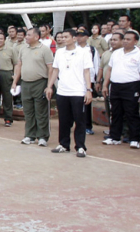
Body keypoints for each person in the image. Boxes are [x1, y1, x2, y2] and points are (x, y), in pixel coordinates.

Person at [46, 29, 94, 158]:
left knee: (80, 120)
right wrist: (49, 86)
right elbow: (55, 70)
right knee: (64, 120)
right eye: (61, 37)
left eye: (66, 37)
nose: (63, 39)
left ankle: (80, 147)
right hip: (62, 91)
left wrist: (88, 90)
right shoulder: (60, 53)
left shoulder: (84, 52)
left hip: (78, 91)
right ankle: (63, 144)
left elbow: (86, 72)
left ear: (74, 38)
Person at [102, 30, 140, 149]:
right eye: (124, 39)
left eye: (128, 39)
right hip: (116, 86)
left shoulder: (139, 56)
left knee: (131, 113)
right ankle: (115, 137)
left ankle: (134, 139)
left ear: (136, 41)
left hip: (131, 86)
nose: (125, 41)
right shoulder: (116, 53)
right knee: (116, 112)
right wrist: (105, 85)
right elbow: (109, 70)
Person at [12, 28, 53, 147]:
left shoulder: (44, 50)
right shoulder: (23, 48)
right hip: (25, 83)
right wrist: (15, 81)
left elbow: (50, 68)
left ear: (36, 37)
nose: (26, 37)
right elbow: (19, 66)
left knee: (40, 111)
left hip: (40, 83)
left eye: (29, 35)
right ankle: (29, 135)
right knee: (28, 111)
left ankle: (42, 136)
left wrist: (49, 86)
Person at [76, 28, 100, 135]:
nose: (78, 38)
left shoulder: (92, 49)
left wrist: (95, 81)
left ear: (86, 37)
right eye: (77, 35)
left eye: (81, 36)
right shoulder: (73, 49)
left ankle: (87, 126)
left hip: (88, 79)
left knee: (87, 103)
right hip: (76, 79)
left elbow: (96, 65)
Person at [0, 32, 15, 127]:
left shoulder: (11, 50)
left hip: (7, 73)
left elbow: (16, 63)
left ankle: (8, 118)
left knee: (7, 97)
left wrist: (14, 75)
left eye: (1, 39)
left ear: (4, 40)